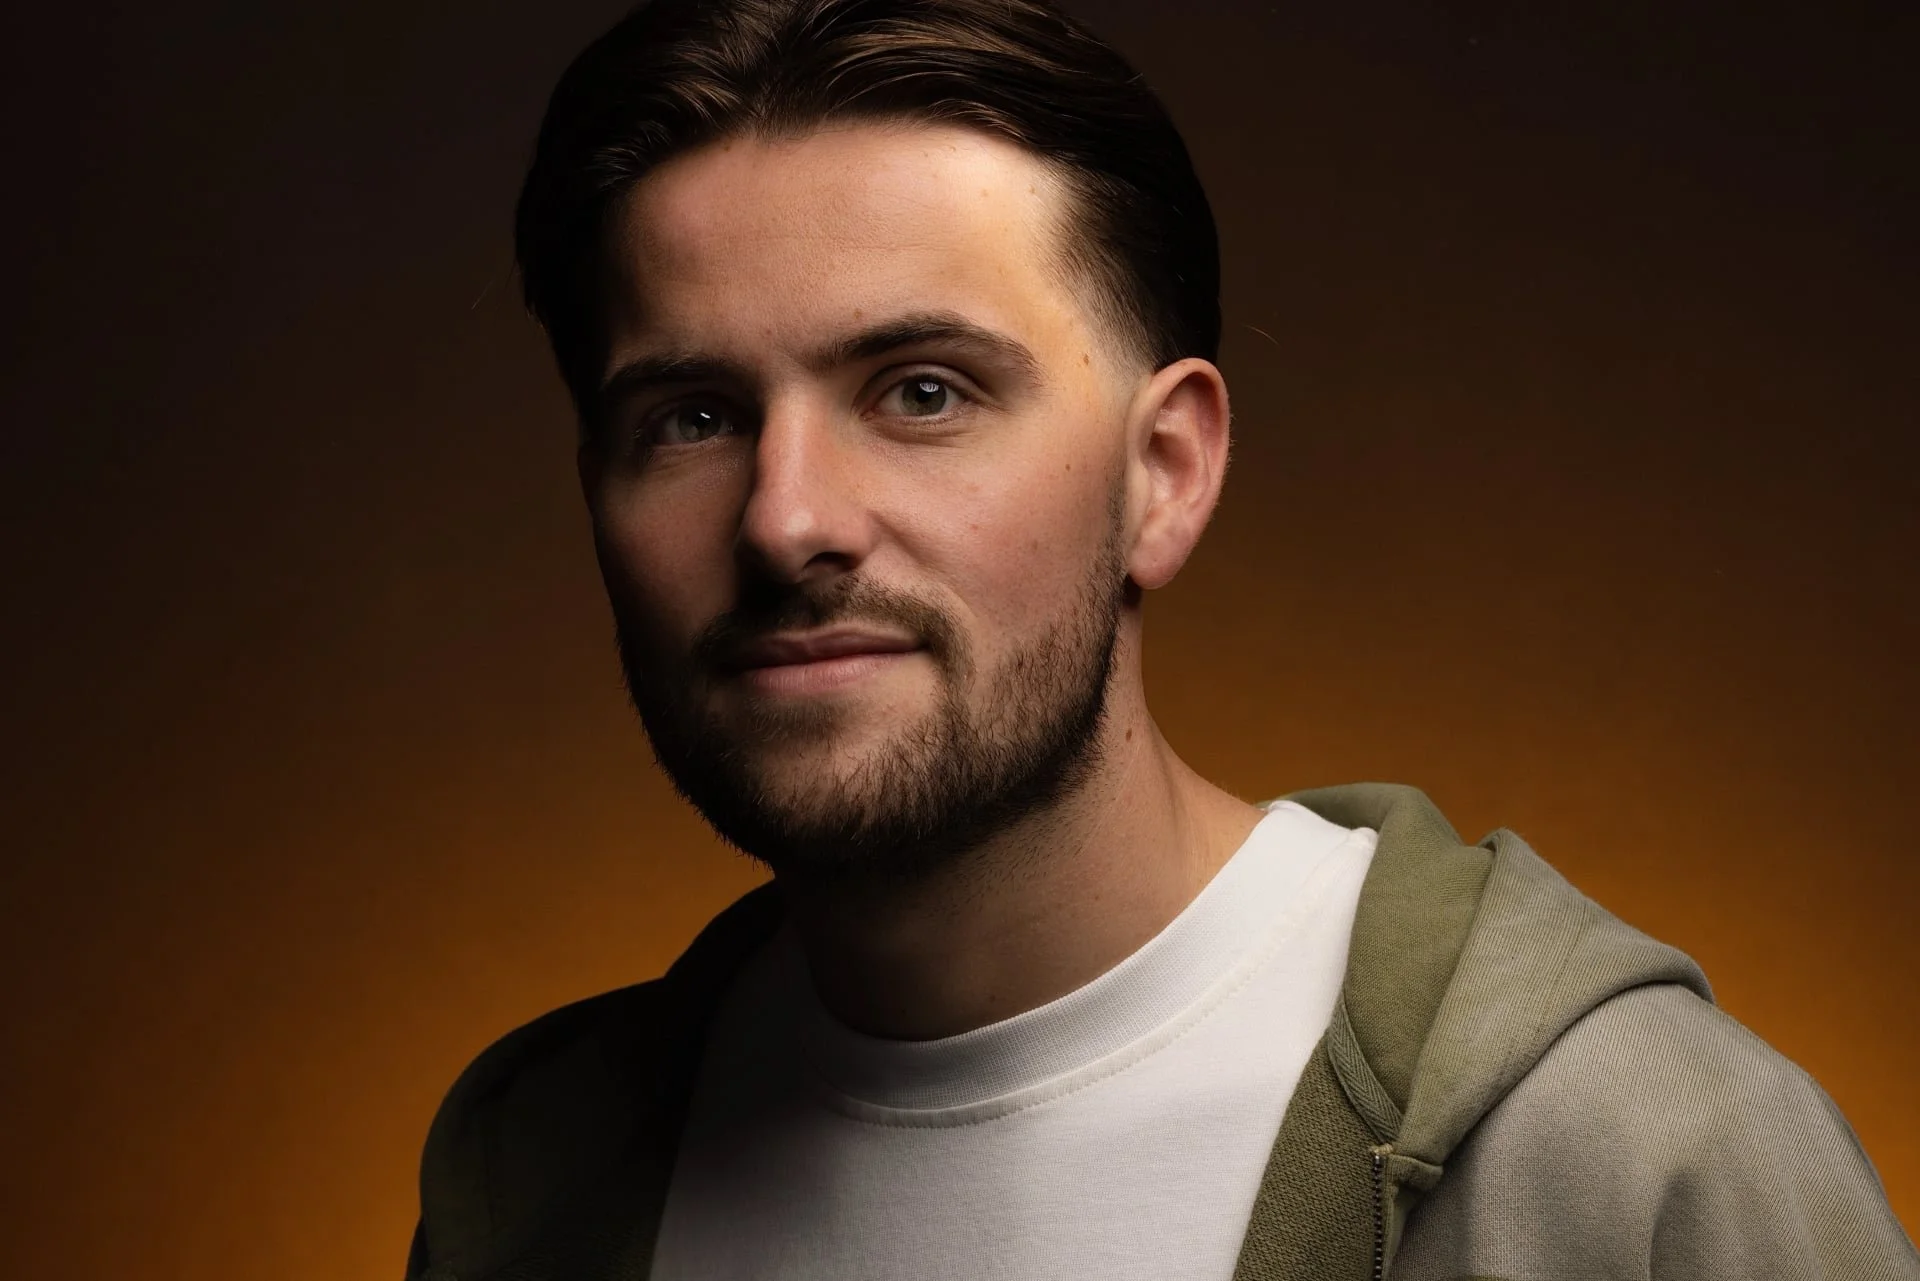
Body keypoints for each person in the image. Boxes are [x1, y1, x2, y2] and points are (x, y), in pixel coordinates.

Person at [405, 1, 1919, 1277]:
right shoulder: (534, 1185)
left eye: (923, 391)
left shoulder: (1633, 1163)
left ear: (1166, 476)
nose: (785, 519)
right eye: (691, 418)